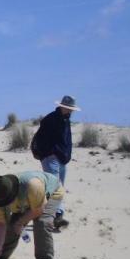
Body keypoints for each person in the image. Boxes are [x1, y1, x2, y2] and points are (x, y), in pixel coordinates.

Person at [0, 171, 64, 259]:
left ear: (12, 195)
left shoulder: (33, 185)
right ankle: (2, 252)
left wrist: (20, 222)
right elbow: (0, 222)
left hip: (51, 194)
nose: (2, 205)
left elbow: (39, 210)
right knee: (12, 224)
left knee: (42, 223)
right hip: (27, 201)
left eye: (6, 202)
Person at [31, 95, 78, 229]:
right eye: (68, 108)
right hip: (51, 157)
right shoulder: (51, 119)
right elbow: (42, 139)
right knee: (55, 187)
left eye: (71, 109)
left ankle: (47, 214)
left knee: (59, 187)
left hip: (62, 159)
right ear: (62, 106)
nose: (70, 111)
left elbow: (66, 140)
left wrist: (65, 154)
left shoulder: (65, 120)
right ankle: (56, 215)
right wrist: (50, 153)